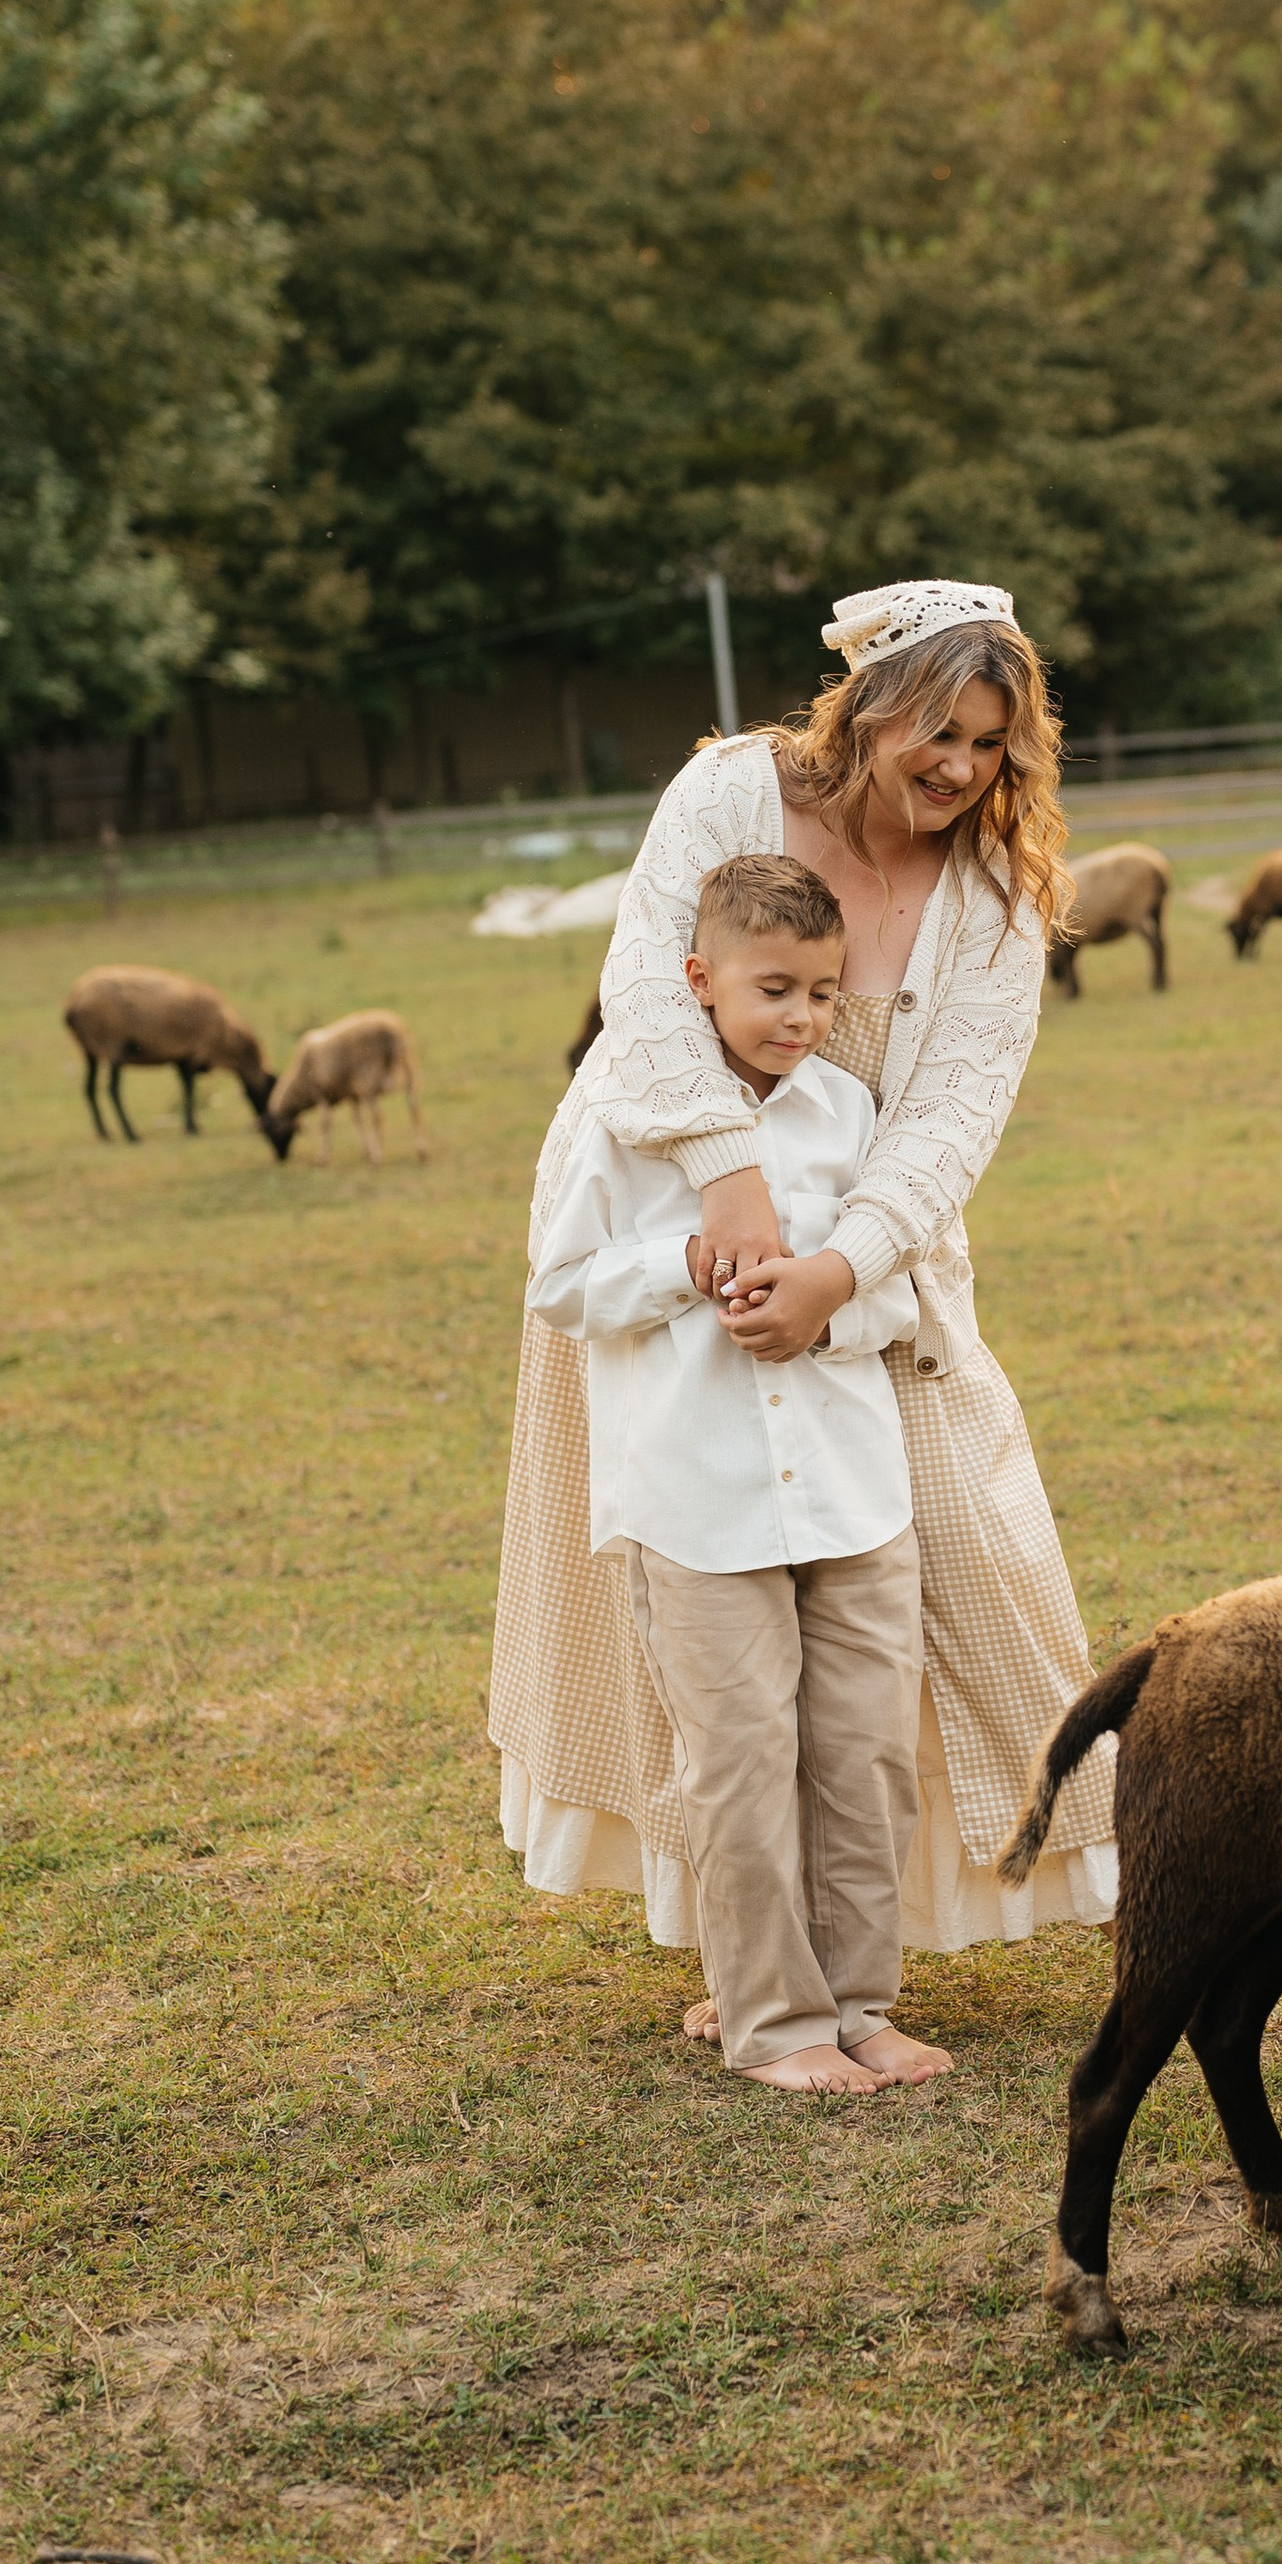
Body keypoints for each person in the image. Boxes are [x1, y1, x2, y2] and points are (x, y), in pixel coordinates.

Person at [489, 577, 1116, 1999]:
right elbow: (648, 985)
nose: (958, 766)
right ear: (872, 704)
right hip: (671, 1192)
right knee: (706, 1589)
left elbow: (956, 1112)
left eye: (990, 745)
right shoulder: (729, 796)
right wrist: (728, 1183)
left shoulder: (999, 895)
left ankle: (911, 1923)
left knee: (963, 1546)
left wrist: (843, 1263)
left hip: (867, 1227)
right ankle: (751, 1966)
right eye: (938, 729)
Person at [526, 851, 946, 2094]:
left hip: (851, 1487)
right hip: (695, 1501)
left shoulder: (846, 1112)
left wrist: (825, 1303)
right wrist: (686, 1264)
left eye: (822, 992)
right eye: (775, 988)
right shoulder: (622, 1111)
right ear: (700, 980)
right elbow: (559, 1286)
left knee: (865, 1752)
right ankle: (772, 2018)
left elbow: (904, 1289)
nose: (802, 1018)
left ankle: (859, 2000)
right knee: (743, 1763)